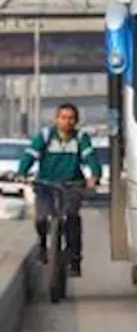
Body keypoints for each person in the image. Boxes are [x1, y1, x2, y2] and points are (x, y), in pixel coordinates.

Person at [15, 103, 101, 276]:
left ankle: (75, 261)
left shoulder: (80, 137)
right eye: (63, 117)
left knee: (71, 219)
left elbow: (90, 157)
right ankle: (42, 244)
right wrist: (21, 172)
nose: (67, 122)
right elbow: (30, 155)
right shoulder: (45, 136)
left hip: (72, 184)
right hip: (45, 184)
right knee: (41, 218)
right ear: (56, 119)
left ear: (76, 121)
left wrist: (95, 175)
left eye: (71, 118)